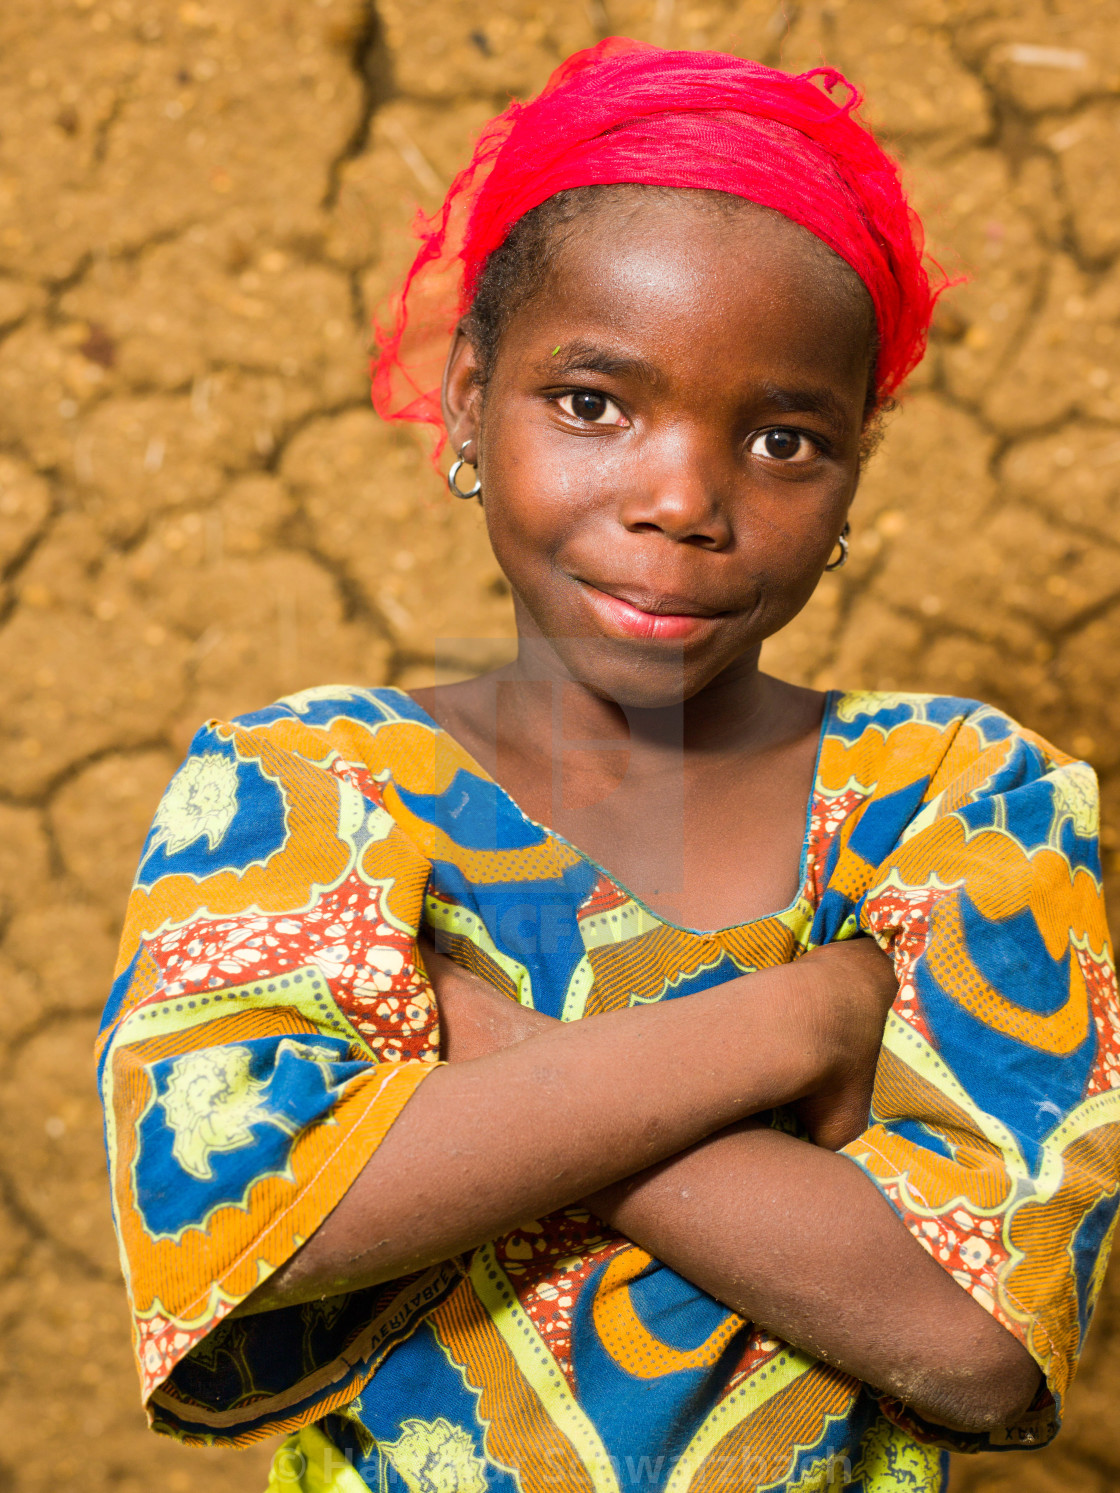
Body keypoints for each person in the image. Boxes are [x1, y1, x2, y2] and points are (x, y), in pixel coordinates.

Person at [96, 39, 1118, 1493]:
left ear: (853, 476)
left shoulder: (964, 799)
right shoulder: (305, 785)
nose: (683, 499)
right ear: (465, 401)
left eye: (783, 437)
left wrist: (484, 1067)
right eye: (594, 404)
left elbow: (972, 1335)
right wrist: (786, 1032)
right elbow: (247, 1222)